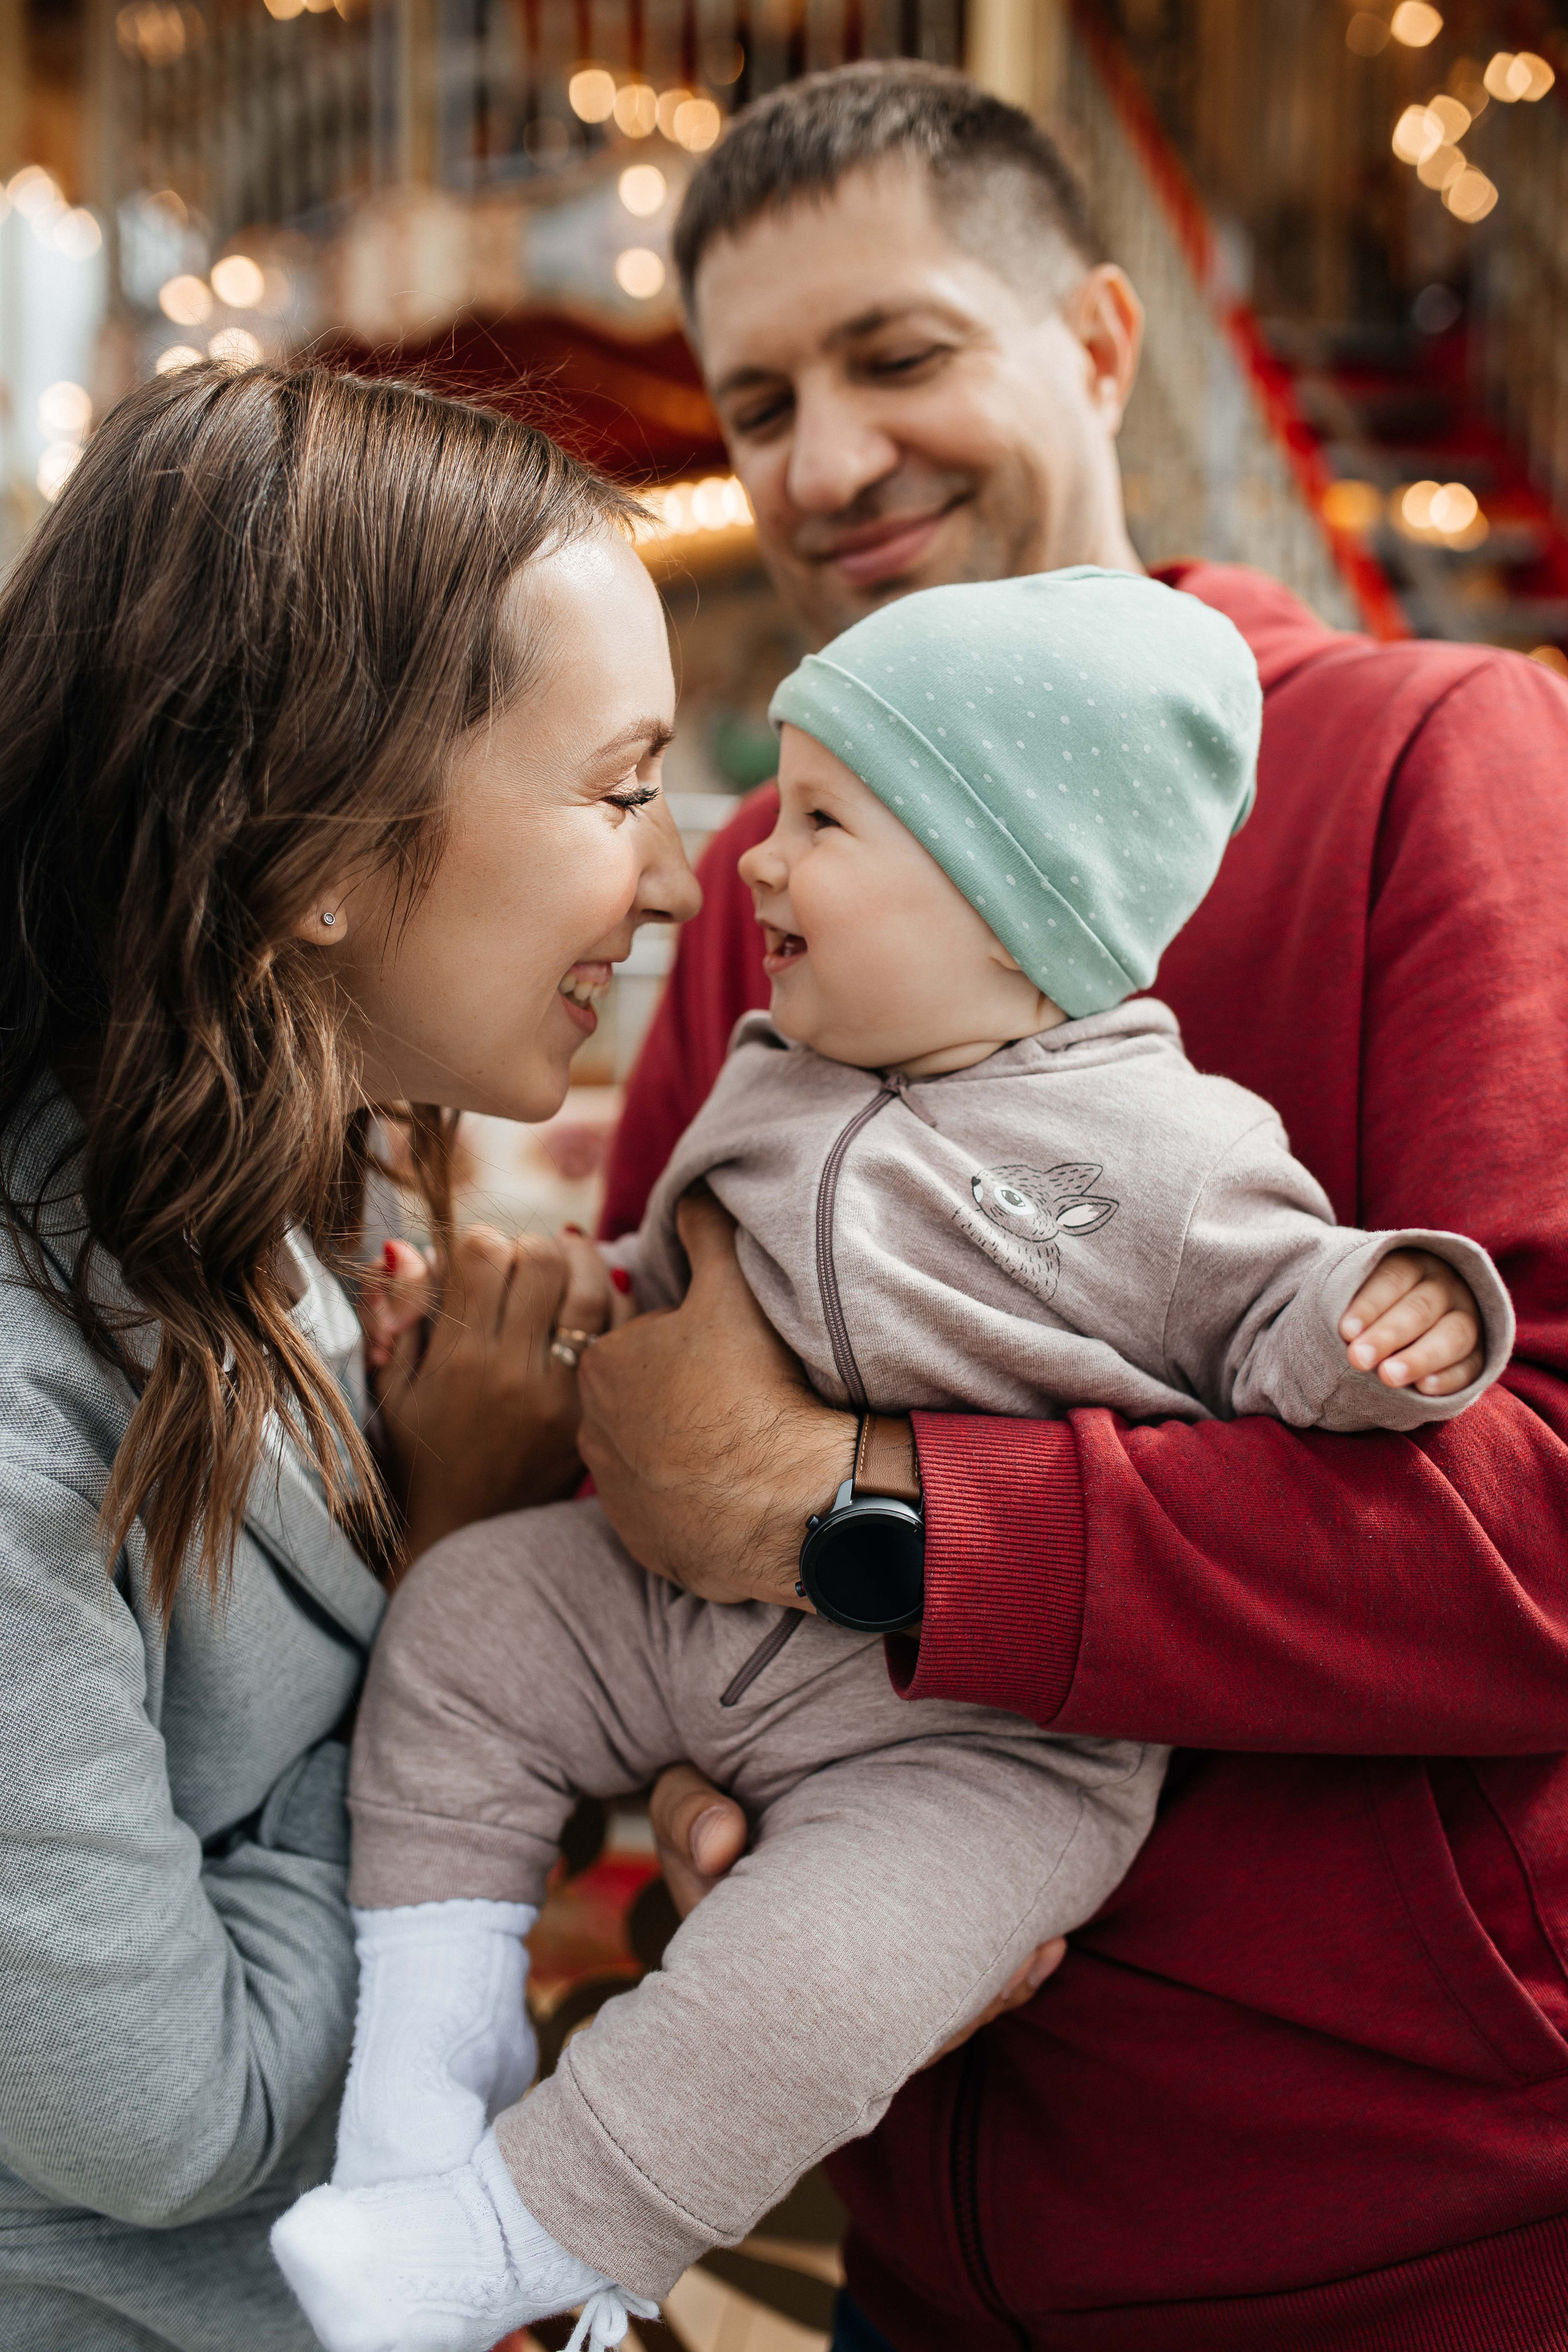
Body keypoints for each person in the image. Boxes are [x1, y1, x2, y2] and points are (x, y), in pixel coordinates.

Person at [575, 62, 1568, 2352]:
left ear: (1102, 344)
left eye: (899, 356)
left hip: (1405, 2232)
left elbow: (1546, 1506)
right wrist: (722, 1765)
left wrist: (872, 1517)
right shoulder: (762, 887)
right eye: (757, 401)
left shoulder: (1433, 757)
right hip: (927, 2221)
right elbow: (652, 1433)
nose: (824, 464)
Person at [276, 568, 1508, 2352]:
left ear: (1012, 895)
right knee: (468, 1620)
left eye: (827, 818)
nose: (756, 860)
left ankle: (520, 2236)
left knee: (814, 1974)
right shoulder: (776, 1071)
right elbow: (676, 1280)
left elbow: (1276, 1316)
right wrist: (552, 1323)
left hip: (979, 1746)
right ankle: (419, 2068)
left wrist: (1384, 1322)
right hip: (682, 1611)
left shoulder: (1163, 1142)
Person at [0, 358, 699, 2352]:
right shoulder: (19, 1391)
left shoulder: (291, 1213)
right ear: (313, 842)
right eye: (621, 787)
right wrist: (450, 1561)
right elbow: (178, 2114)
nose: (667, 880)